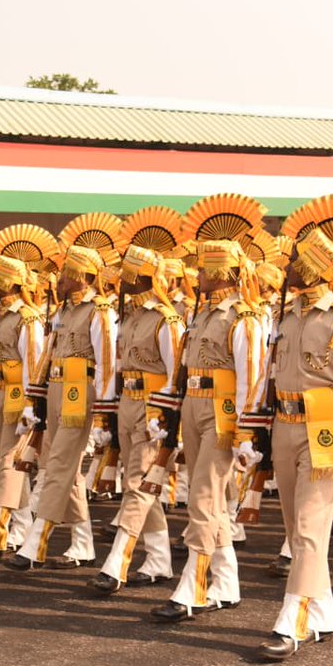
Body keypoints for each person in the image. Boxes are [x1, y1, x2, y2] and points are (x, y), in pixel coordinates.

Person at [251, 225, 333, 660]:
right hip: (284, 425)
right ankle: (323, 610)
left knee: (307, 527)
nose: (285, 266)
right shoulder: (287, 315)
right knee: (298, 528)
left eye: (294, 260)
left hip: (324, 426)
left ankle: (292, 622)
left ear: (313, 266)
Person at [151, 193, 267, 623]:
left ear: (221, 272)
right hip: (195, 409)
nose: (196, 274)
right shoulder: (202, 315)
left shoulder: (243, 317)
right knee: (211, 502)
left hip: (223, 416)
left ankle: (193, 587)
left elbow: (252, 377)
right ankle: (226, 581)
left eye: (203, 268)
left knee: (202, 497)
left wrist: (247, 434)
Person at [9, 212, 122, 571]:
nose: (58, 279)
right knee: (64, 469)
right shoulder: (63, 312)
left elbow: (105, 364)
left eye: (66, 273)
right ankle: (83, 543)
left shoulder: (101, 312)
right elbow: (47, 355)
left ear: (83, 277)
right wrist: (35, 397)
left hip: (81, 392)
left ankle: (37, 541)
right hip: (57, 390)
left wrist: (105, 412)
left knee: (58, 464)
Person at [89, 242, 184, 593]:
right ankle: (159, 559)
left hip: (152, 409)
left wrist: (165, 417)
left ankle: (118, 562)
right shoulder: (130, 317)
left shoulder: (166, 319)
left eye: (126, 273)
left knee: (140, 485)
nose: (120, 280)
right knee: (143, 486)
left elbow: (176, 376)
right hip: (128, 402)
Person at [0, 224, 59, 561]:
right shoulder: (0, 318)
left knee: (9, 463)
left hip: (20, 399)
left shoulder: (28, 320)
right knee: (11, 464)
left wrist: (34, 405)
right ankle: (20, 525)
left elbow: (35, 365)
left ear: (13, 283)